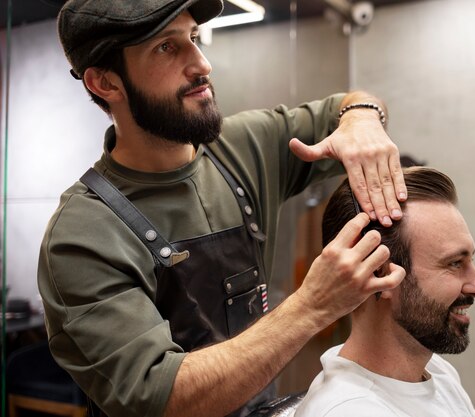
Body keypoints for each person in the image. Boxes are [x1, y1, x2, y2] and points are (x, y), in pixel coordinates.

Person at [37, 1, 409, 417]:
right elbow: (161, 399)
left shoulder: (243, 147)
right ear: (106, 82)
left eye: (194, 38)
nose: (201, 64)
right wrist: (313, 304)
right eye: (166, 47)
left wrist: (362, 119)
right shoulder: (82, 233)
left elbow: (350, 105)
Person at [293, 167, 475, 417]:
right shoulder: (351, 410)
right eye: (454, 263)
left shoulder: (438, 372)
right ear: (379, 274)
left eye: (469, 260)